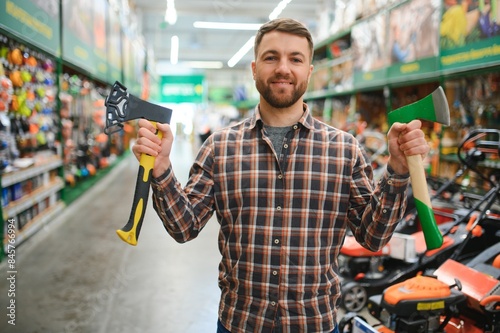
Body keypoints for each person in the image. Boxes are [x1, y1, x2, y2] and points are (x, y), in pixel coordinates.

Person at [132, 18, 430, 333]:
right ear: (254, 67)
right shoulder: (220, 147)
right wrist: (162, 168)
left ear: (309, 72)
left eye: (295, 59)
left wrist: (398, 169)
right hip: (240, 322)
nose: (283, 68)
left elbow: (373, 236)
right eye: (271, 57)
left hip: (313, 324)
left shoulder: (344, 150)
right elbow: (183, 227)